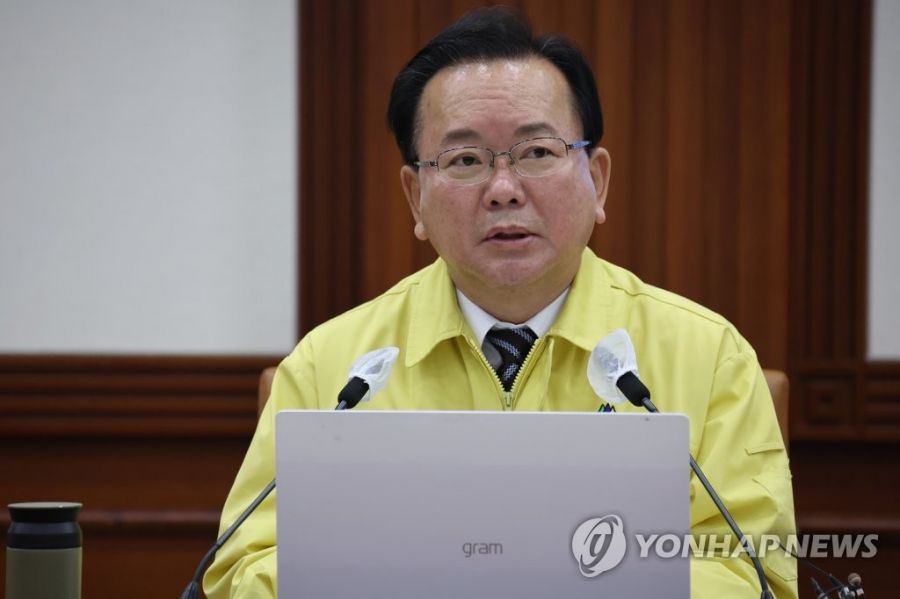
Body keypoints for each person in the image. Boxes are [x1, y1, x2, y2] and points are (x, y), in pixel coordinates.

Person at [204, 7, 797, 598]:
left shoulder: (709, 358)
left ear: (597, 180)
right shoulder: (333, 369)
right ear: (415, 197)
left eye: (536, 152)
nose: (504, 190)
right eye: (465, 160)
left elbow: (752, 574)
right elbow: (243, 567)